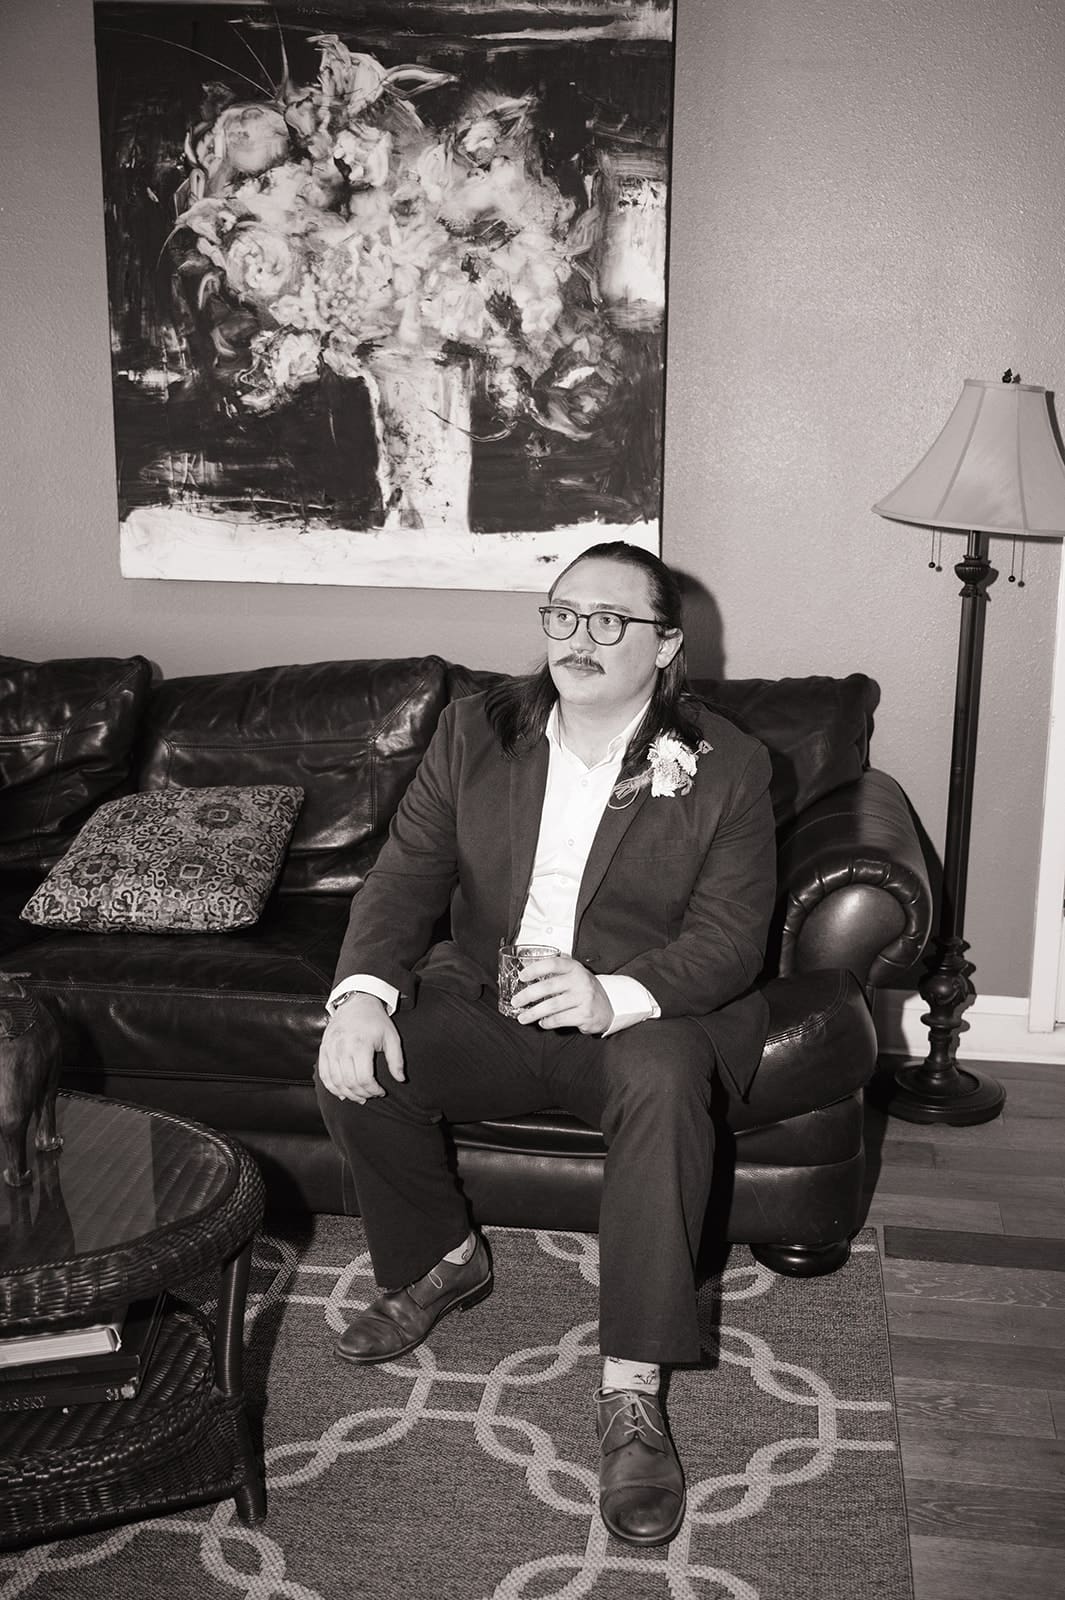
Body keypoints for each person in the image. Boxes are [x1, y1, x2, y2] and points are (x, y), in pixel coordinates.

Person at [316, 541, 777, 1547]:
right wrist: (358, 995)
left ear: (665, 645)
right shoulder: (477, 730)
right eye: (563, 613)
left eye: (611, 619)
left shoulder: (728, 762)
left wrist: (613, 995)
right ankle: (441, 1257)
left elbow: (731, 939)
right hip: (490, 998)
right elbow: (403, 877)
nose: (579, 636)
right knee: (360, 1055)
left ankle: (631, 1392)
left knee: (661, 1078)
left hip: (636, 1019)